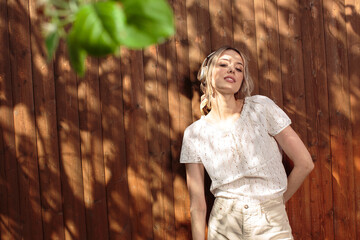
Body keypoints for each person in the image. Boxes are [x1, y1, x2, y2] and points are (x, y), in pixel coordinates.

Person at [179, 46, 314, 240]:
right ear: (208, 74)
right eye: (224, 64)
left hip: (271, 224)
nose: (232, 69)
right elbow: (197, 205)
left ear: (242, 79)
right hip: (224, 226)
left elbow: (305, 163)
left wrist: (276, 203)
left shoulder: (261, 108)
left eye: (239, 68)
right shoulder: (194, 133)